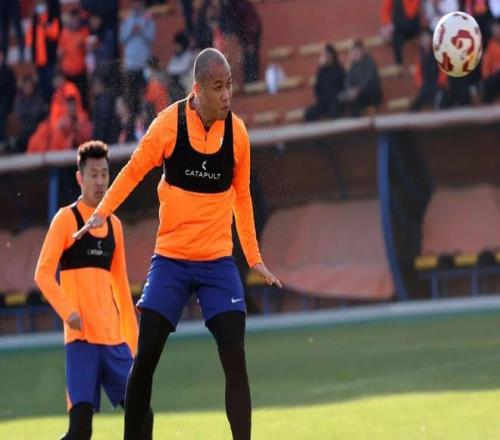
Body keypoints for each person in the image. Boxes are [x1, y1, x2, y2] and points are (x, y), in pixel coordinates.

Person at [74, 48, 282, 440]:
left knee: (235, 357)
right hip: (170, 260)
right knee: (145, 359)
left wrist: (253, 257)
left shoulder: (237, 134)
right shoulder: (168, 125)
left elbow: (242, 197)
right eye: (218, 87)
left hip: (218, 263)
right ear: (198, 90)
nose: (227, 95)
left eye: (229, 85)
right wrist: (102, 211)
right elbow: (134, 170)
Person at [34, 141, 143, 439]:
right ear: (80, 178)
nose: (99, 181)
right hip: (81, 342)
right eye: (93, 175)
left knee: (142, 413)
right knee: (80, 430)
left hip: (114, 342)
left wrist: (134, 344)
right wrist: (68, 311)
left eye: (104, 174)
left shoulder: (114, 225)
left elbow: (121, 287)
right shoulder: (65, 220)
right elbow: (43, 273)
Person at [341, 40, 382, 116]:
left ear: (362, 51)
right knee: (342, 97)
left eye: (357, 51)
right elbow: (347, 82)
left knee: (356, 100)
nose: (355, 53)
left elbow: (368, 80)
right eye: (353, 51)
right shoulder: (352, 64)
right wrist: (350, 90)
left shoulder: (369, 61)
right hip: (358, 93)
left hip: (371, 92)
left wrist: (358, 89)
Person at [305, 43, 345, 121]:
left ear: (333, 56)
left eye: (327, 55)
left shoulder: (339, 69)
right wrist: (322, 99)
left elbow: (343, 87)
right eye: (324, 55)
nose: (326, 57)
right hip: (323, 102)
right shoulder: (321, 70)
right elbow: (317, 87)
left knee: (334, 112)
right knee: (309, 114)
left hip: (336, 101)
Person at [410, 28, 447, 110]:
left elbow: (443, 70)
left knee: (439, 99)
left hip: (437, 83)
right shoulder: (420, 54)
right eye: (423, 38)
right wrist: (420, 82)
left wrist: (441, 81)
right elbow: (417, 71)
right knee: (417, 102)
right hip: (425, 83)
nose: (425, 41)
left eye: (427, 38)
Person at [381, 0, 421, 65]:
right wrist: (387, 23)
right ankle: (399, 63)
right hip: (399, 28)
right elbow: (385, 11)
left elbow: (411, 13)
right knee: (395, 35)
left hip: (412, 27)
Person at [482, 19, 500, 102]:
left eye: (498, 29)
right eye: (494, 29)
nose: (496, 32)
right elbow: (486, 66)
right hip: (494, 78)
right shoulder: (490, 45)